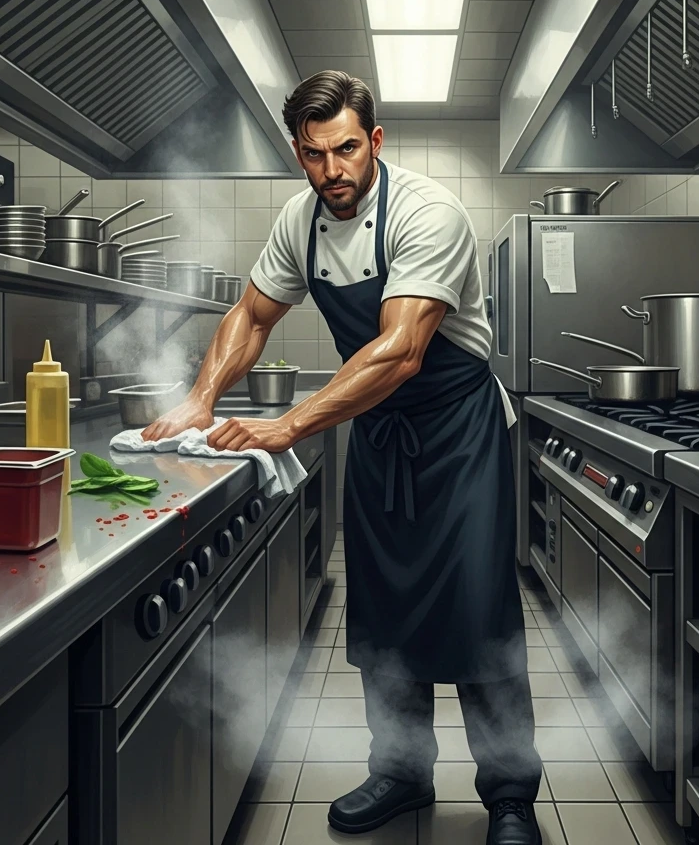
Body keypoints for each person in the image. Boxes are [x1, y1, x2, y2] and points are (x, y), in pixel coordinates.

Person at [143, 70, 542, 845]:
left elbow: (399, 352)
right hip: (378, 432)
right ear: (298, 152)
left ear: (376, 141)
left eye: (348, 149)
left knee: (477, 607)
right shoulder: (301, 221)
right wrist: (201, 396)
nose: (334, 171)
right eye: (316, 154)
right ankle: (399, 771)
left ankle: (510, 793)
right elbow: (252, 314)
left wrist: (287, 426)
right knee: (383, 611)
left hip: (459, 436)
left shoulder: (429, 213)